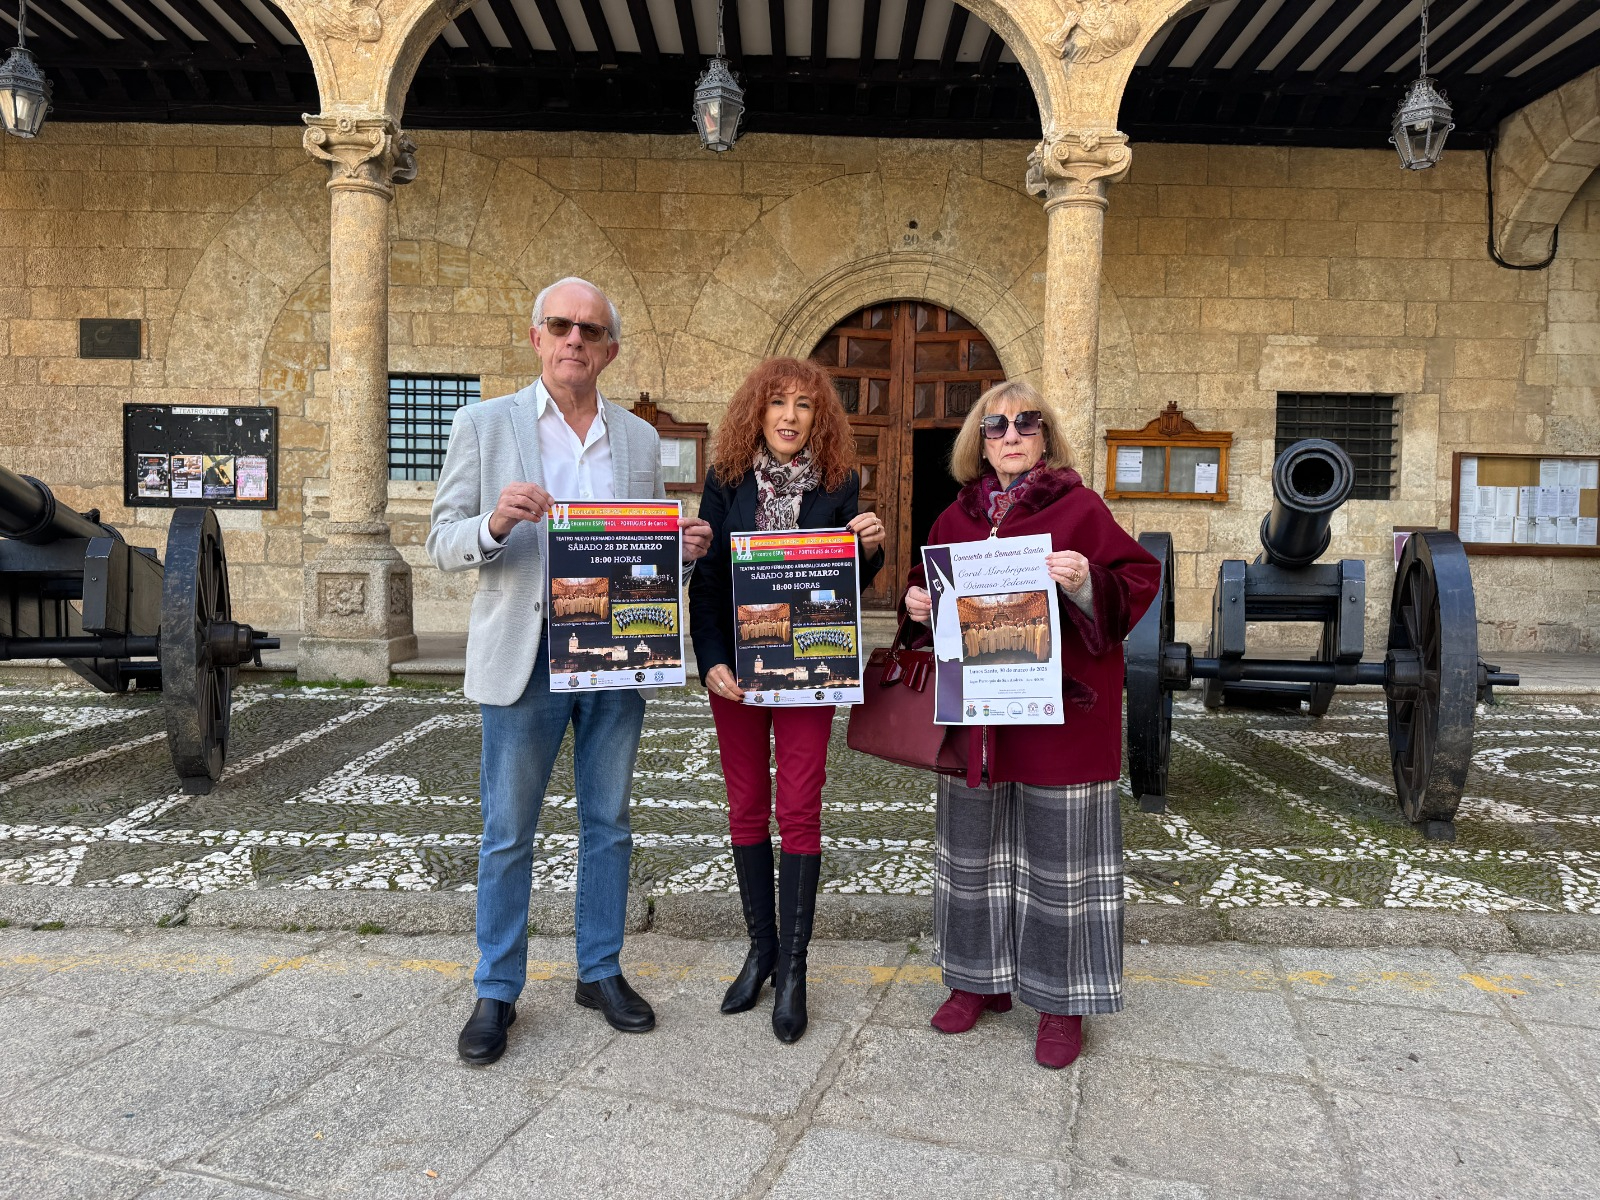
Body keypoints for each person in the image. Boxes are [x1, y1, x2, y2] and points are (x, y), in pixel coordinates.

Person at [427, 277, 713, 1065]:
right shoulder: (484, 425)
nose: (575, 340)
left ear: (610, 350)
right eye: (561, 325)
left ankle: (599, 970)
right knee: (508, 831)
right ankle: (496, 989)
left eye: (590, 330)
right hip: (526, 656)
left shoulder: (639, 440)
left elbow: (643, 554)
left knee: (609, 823)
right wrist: (492, 522)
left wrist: (680, 556)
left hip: (616, 655)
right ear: (536, 337)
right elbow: (441, 541)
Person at [901, 379, 1158, 1069]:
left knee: (1060, 865)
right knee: (971, 856)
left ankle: (1061, 1003)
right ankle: (974, 983)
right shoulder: (953, 519)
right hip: (978, 720)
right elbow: (924, 608)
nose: (1010, 435)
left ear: (1045, 435)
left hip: (1062, 720)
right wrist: (917, 608)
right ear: (978, 444)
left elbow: (1137, 579)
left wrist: (1081, 580)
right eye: (996, 426)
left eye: (1025, 423)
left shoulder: (1080, 508)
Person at [689, 357, 885, 1043]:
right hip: (738, 674)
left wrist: (869, 550)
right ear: (758, 411)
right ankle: (760, 951)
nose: (791, 416)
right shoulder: (726, 482)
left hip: (808, 672)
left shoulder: (839, 484)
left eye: (805, 404)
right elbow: (707, 580)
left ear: (819, 417)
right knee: (747, 804)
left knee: (799, 806)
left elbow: (845, 584)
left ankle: (795, 968)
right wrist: (709, 658)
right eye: (778, 402)